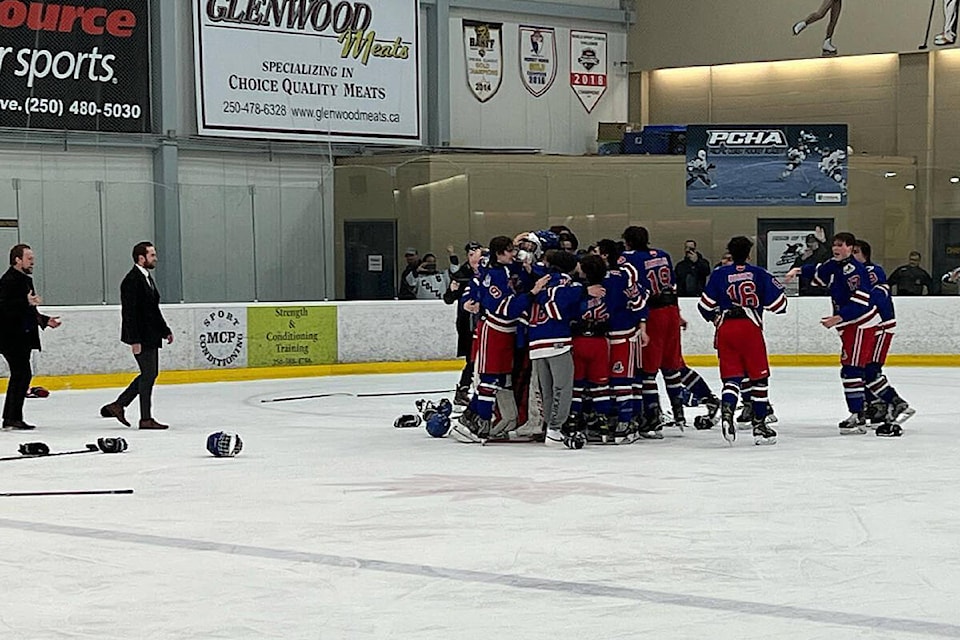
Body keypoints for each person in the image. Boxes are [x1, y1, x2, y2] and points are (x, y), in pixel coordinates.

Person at [619, 226, 719, 438]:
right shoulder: (663, 255)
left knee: (648, 370)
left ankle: (653, 419)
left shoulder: (627, 258)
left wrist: (640, 319)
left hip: (652, 314)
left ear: (628, 242)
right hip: (670, 311)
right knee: (673, 365)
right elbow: (672, 287)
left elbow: (631, 288)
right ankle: (682, 411)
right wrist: (678, 314)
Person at [785, 232, 878, 435]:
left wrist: (838, 317)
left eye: (840, 245)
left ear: (850, 248)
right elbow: (819, 270)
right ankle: (860, 412)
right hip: (849, 325)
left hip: (860, 325)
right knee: (850, 370)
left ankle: (860, 416)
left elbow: (861, 301)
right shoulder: (835, 265)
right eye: (834, 244)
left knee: (852, 370)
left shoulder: (855, 270)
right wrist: (798, 270)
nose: (836, 248)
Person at [698, 236, 787, 446]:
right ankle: (759, 427)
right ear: (749, 254)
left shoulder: (719, 274)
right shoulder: (759, 274)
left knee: (732, 378)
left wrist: (716, 318)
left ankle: (728, 411)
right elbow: (779, 305)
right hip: (750, 327)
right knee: (759, 380)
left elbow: (704, 306)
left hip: (726, 328)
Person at [100, 242, 173, 430]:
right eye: (152, 255)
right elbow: (130, 313)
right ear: (141, 258)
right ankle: (144, 418)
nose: (155, 258)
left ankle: (119, 405)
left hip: (151, 335)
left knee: (150, 374)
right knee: (149, 374)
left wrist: (165, 330)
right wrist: (134, 340)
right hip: (141, 336)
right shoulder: (132, 280)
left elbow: (152, 310)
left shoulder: (147, 278)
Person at [852, 239, 913, 436]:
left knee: (871, 369)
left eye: (855, 251)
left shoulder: (872, 271)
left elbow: (876, 297)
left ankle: (895, 403)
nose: (851, 255)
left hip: (880, 326)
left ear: (864, 255)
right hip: (866, 327)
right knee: (862, 368)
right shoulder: (851, 273)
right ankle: (876, 407)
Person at [0, 244, 61, 430]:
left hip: (22, 336)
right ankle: (12, 417)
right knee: (22, 374)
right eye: (29, 258)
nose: (32, 261)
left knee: (21, 375)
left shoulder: (25, 279)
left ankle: (11, 417)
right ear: (17, 259)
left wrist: (45, 320)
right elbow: (3, 307)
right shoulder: (8, 280)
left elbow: (28, 310)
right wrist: (24, 301)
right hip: (11, 337)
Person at [443, 242, 484, 405]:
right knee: (471, 358)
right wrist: (453, 290)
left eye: (477, 253)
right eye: (471, 254)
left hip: (484, 321)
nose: (474, 257)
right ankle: (464, 389)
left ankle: (466, 389)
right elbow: (448, 299)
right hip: (467, 323)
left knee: (477, 358)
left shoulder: (487, 271)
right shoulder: (462, 274)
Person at [791, 229, 831, 296]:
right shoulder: (803, 256)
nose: (811, 244)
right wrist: (802, 259)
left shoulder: (823, 254)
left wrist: (824, 241)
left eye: (813, 242)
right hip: (804, 289)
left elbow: (830, 254)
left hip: (820, 288)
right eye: (809, 242)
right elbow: (792, 271)